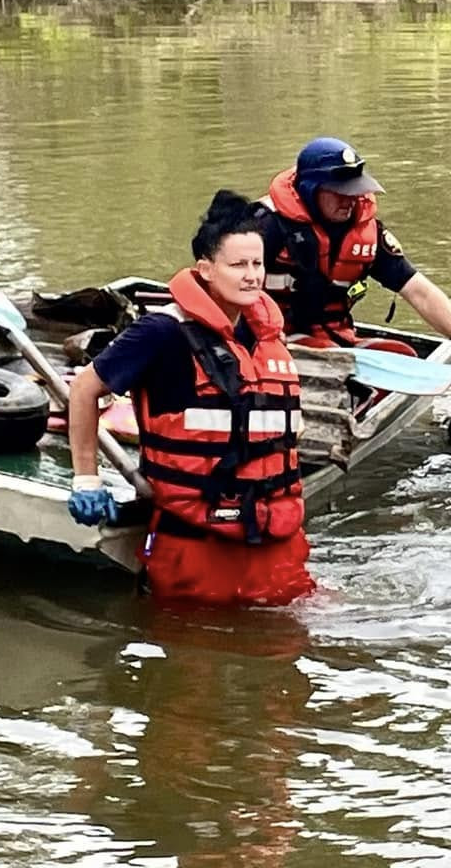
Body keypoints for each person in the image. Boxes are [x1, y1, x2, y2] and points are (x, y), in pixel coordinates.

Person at [63, 190, 313, 605]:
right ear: (206, 269)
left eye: (258, 264)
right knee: (195, 655)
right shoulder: (162, 333)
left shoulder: (267, 334)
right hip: (197, 547)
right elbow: (84, 389)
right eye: (238, 265)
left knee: (290, 656)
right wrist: (85, 478)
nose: (252, 276)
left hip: (276, 540)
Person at [256, 137, 451, 368]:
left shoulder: (367, 233)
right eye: (339, 192)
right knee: (331, 361)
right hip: (268, 338)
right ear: (310, 189)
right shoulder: (265, 227)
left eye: (354, 191)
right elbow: (222, 288)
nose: (350, 200)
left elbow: (418, 290)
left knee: (403, 355)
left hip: (331, 338)